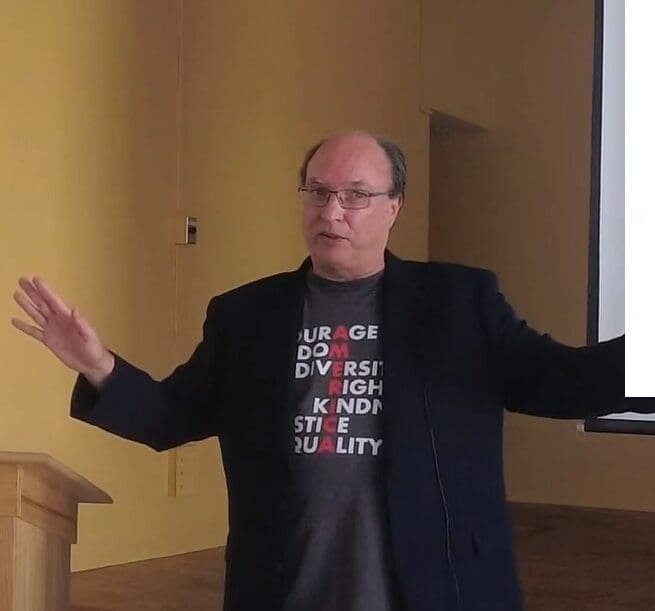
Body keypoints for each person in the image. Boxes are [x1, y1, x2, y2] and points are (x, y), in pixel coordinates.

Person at [11, 131, 642, 611]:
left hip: (438, 583)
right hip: (286, 586)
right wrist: (98, 365)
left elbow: (561, 380)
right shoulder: (246, 314)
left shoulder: (458, 302)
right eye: (318, 191)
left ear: (394, 206)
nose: (331, 211)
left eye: (356, 196)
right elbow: (172, 415)